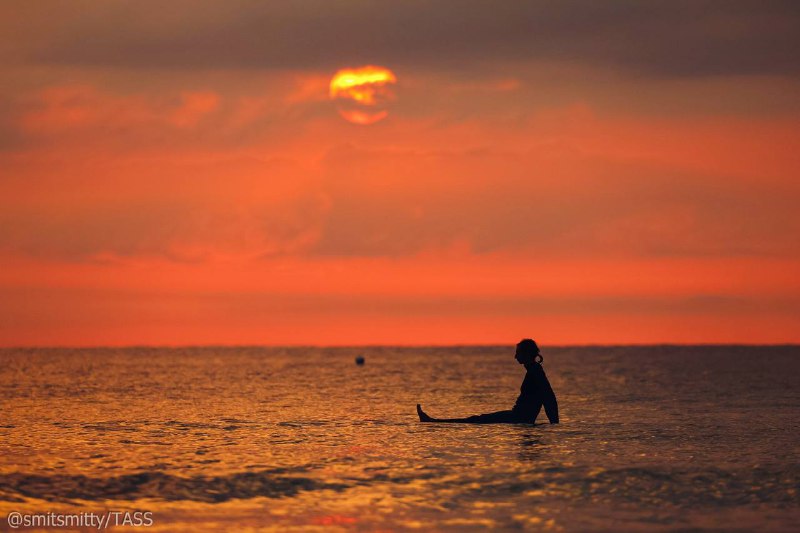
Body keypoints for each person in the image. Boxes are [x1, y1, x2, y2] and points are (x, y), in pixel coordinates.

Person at [417, 339, 559, 424]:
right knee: (477, 419)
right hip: (516, 417)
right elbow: (548, 398)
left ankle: (433, 422)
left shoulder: (535, 371)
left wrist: (554, 425)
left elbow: (549, 398)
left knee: (476, 420)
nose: (515, 356)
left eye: (518, 353)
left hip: (518, 418)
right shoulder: (534, 370)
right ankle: (434, 421)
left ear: (526, 354)